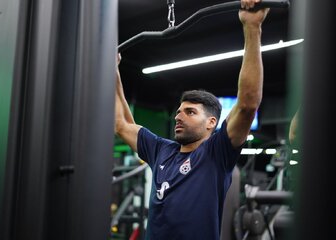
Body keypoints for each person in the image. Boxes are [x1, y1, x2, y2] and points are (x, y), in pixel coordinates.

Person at [115, 0, 269, 239]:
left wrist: (252, 27)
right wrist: (113, 70)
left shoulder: (216, 153)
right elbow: (122, 124)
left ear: (211, 123)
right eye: (178, 111)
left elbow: (248, 104)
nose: (179, 116)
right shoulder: (161, 150)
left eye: (190, 112)